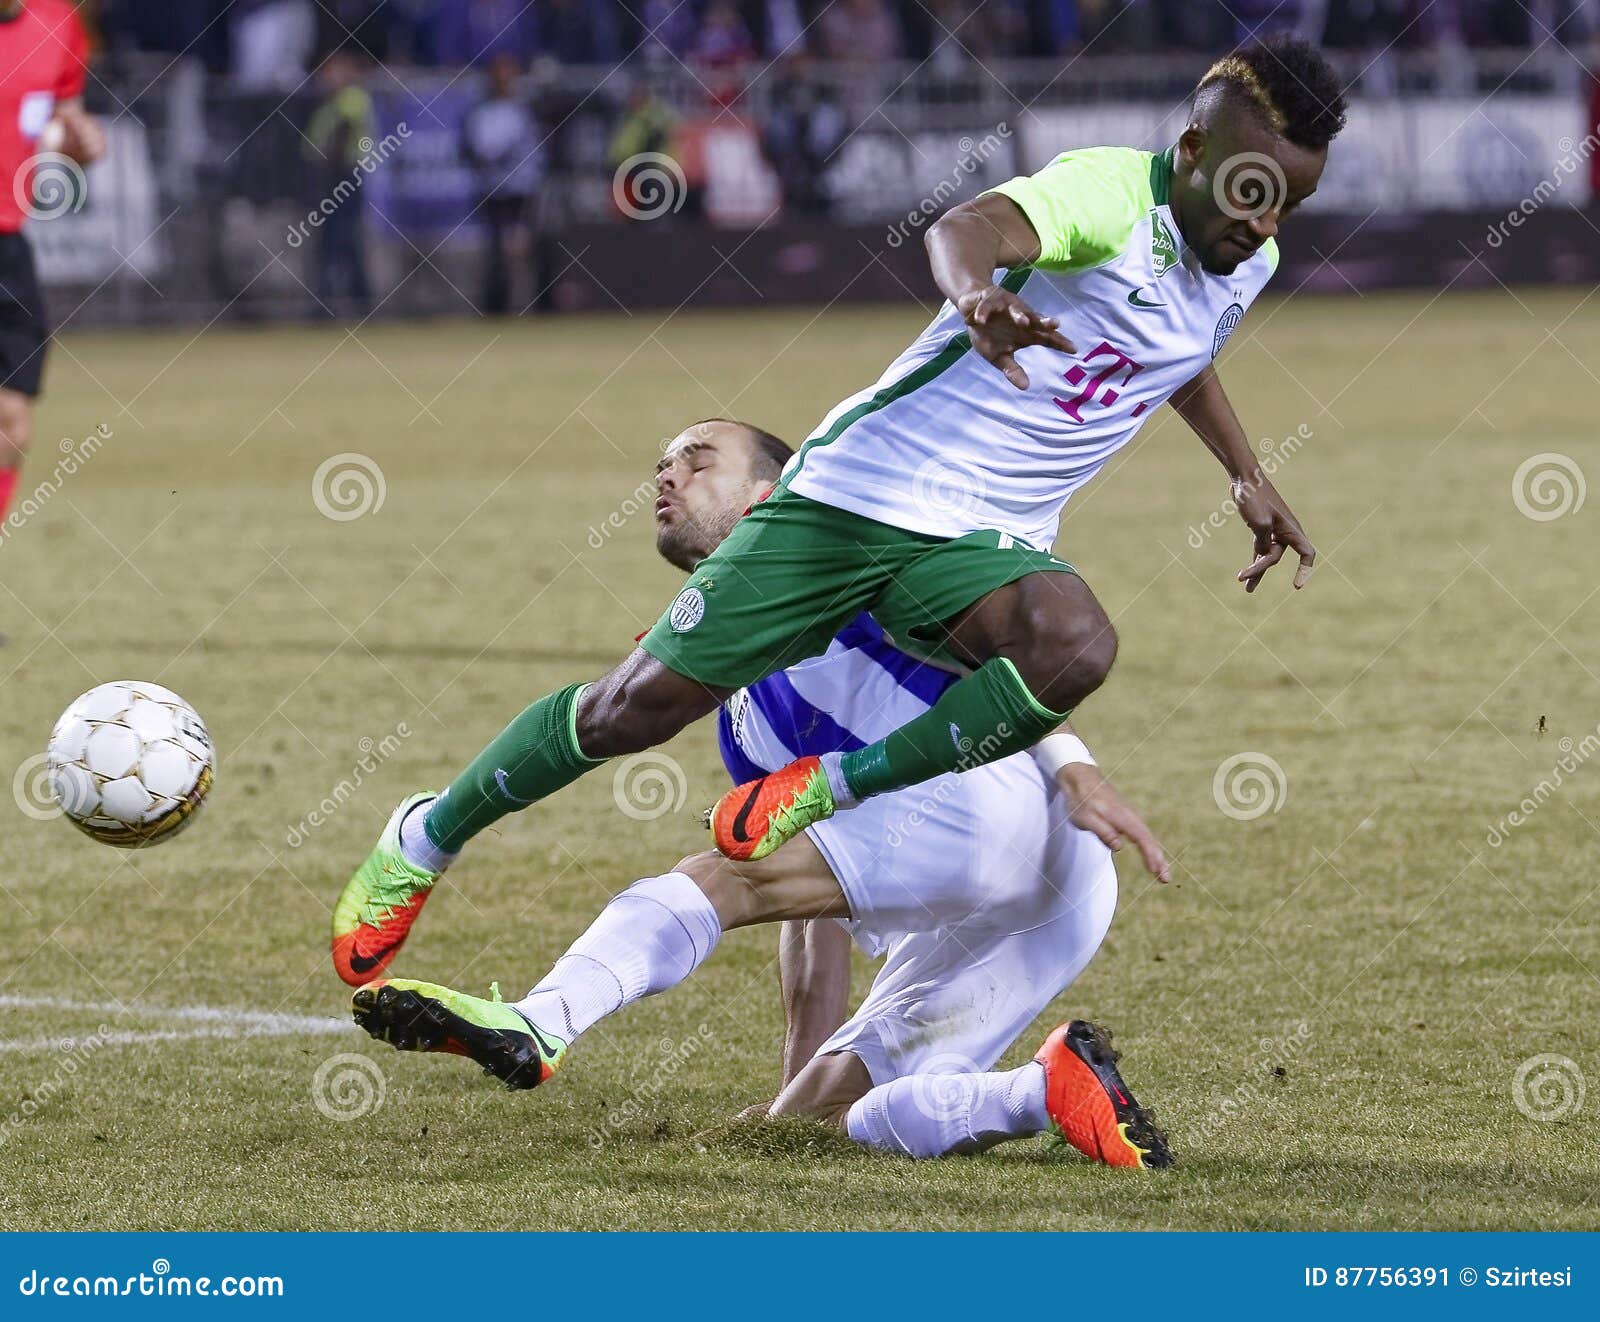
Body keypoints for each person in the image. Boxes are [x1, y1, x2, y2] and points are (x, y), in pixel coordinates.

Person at [331, 38, 1346, 988]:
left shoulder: (1240, 263)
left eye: (1286, 205)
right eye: (1250, 193)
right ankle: (424, 834)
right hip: (861, 495)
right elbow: (968, 229)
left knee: (1074, 644)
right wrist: (976, 296)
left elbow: (1176, 348)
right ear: (1192, 149)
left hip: (979, 543)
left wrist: (1243, 474)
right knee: (628, 711)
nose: (1263, 224)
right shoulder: (1106, 195)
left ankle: (829, 786)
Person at [347, 419, 1174, 1168]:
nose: (666, 476)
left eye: (698, 461)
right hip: (1058, 894)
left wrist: (1073, 764)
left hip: (1004, 803)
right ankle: (1041, 1092)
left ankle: (543, 1020)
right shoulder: (738, 716)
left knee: (722, 876)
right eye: (660, 465)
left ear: (771, 496)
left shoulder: (852, 554)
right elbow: (815, 908)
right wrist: (795, 1085)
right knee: (827, 1119)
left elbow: (1009, 652)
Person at [0, 0, 105, 536]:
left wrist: (81, 144)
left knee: (13, 424)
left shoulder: (58, 22)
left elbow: (62, 122)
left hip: (9, 247)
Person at [461, 53, 541, 316]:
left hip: (519, 190)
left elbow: (527, 151)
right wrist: (486, 162)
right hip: (491, 189)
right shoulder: (481, 112)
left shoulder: (521, 111)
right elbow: (473, 149)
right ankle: (494, 305)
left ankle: (528, 304)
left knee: (520, 248)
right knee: (494, 249)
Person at [304, 50, 377, 315]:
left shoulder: (351, 99)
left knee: (343, 239)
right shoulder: (328, 103)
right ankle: (331, 300)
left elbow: (342, 135)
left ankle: (356, 300)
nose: (327, 77)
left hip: (344, 178)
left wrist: (328, 167)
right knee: (330, 241)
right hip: (328, 180)